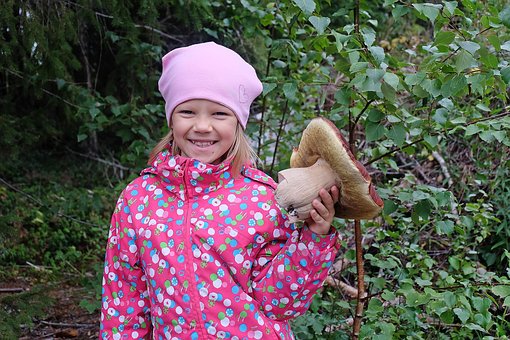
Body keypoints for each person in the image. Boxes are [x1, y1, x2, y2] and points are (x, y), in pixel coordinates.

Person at [100, 42, 341, 340]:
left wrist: (313, 240)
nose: (202, 126)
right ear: (171, 118)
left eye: (219, 114)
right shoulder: (138, 201)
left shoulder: (262, 199)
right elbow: (123, 302)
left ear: (238, 122)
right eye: (187, 111)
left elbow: (280, 303)